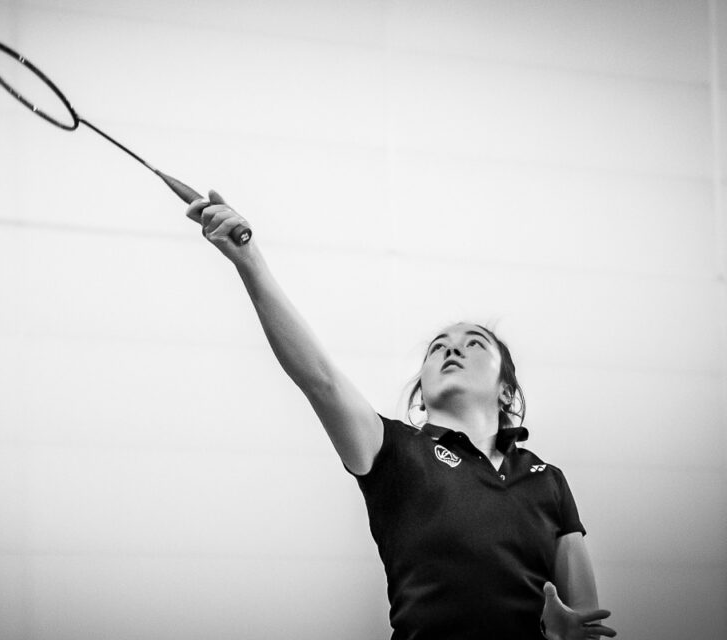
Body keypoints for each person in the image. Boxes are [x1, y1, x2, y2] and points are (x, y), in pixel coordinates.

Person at [186, 191, 617, 640]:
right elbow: (321, 380)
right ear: (421, 398)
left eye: (474, 343)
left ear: (506, 389)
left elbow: (585, 620)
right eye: (437, 348)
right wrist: (248, 260)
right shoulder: (395, 450)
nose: (451, 349)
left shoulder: (548, 480)